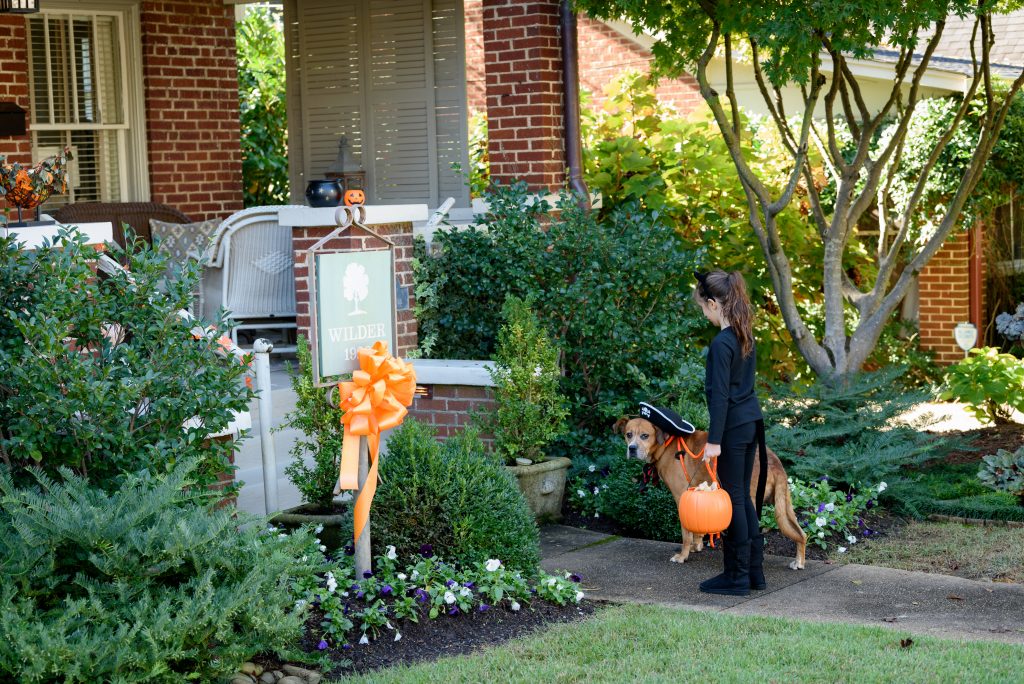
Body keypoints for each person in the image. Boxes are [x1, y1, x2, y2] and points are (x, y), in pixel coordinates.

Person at [693, 270, 766, 596]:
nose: (704, 314)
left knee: (734, 497)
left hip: (733, 428)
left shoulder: (721, 343)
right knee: (741, 496)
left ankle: (736, 578)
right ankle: (753, 574)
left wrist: (714, 441)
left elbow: (720, 396)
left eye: (703, 308)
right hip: (750, 423)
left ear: (713, 304)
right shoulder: (744, 335)